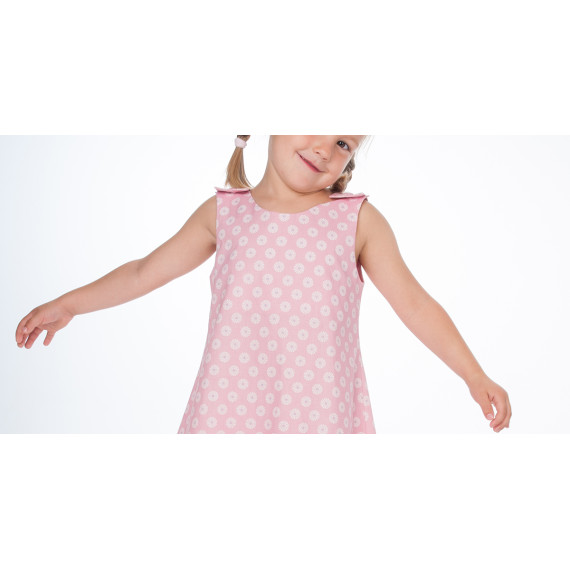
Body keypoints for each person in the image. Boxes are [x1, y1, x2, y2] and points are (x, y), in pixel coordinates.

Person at [14, 135, 512, 434]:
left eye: (345, 143)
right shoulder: (224, 213)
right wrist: (70, 304)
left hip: (321, 420)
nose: (325, 147)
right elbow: (145, 271)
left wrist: (474, 375)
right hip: (225, 416)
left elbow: (415, 305)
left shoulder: (357, 220)